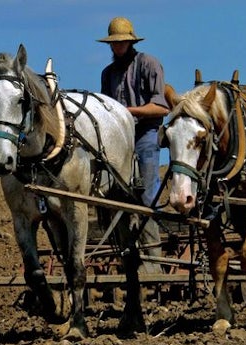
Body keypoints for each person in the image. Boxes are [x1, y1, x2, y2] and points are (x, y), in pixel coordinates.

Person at [98, 16, 169, 273]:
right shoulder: (108, 74)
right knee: (114, 195)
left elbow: (161, 106)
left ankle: (154, 264)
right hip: (119, 140)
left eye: (121, 43)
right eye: (114, 44)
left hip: (145, 136)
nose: (117, 47)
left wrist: (130, 112)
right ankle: (126, 256)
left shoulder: (149, 64)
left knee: (146, 197)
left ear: (130, 42)